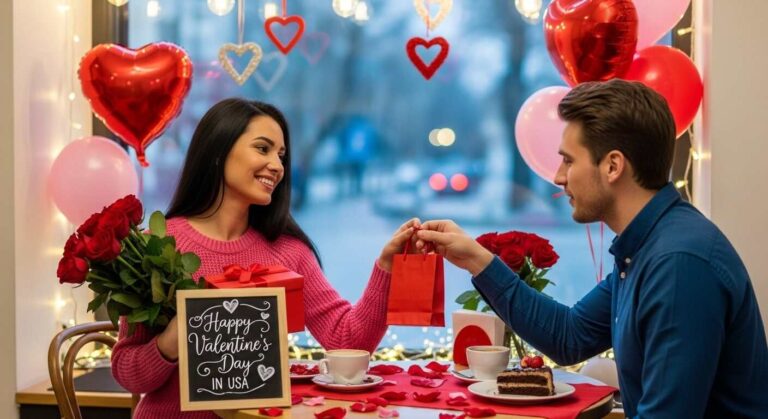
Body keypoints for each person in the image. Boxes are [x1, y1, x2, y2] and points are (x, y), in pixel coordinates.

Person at [415, 79, 768, 418]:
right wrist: (478, 261)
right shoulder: (650, 245)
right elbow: (570, 336)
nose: (558, 176)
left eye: (569, 160)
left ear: (613, 166)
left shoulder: (678, 264)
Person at [111, 98, 419, 419]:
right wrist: (171, 342)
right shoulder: (156, 246)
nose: (277, 165)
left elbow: (346, 341)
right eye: (263, 149)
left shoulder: (289, 250)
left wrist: (387, 269)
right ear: (218, 151)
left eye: (281, 155)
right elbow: (127, 374)